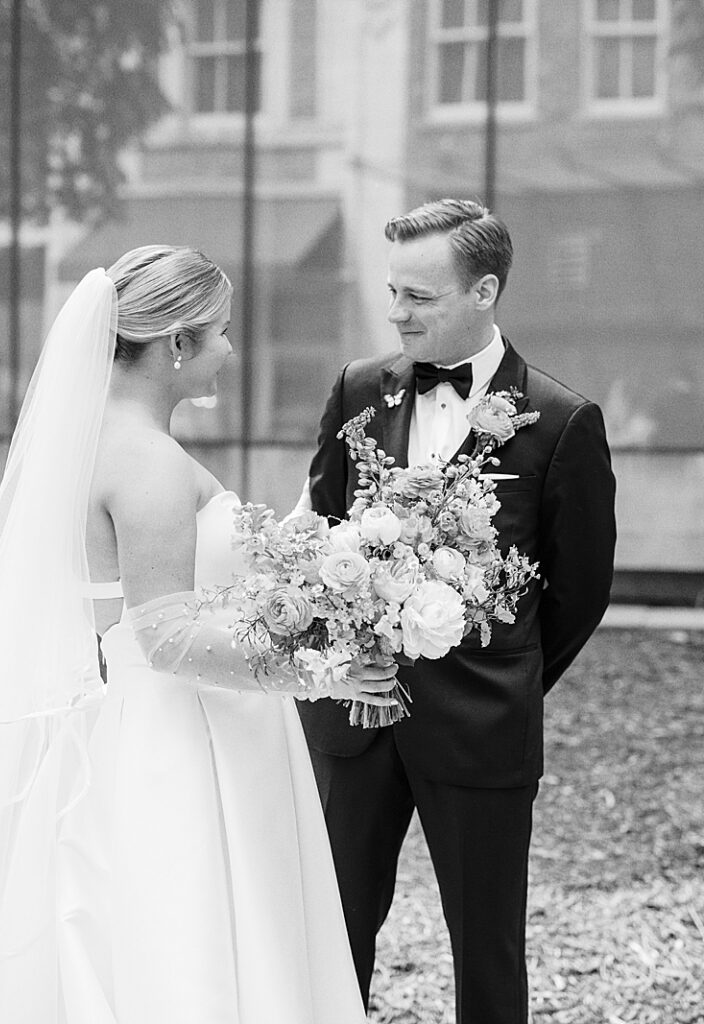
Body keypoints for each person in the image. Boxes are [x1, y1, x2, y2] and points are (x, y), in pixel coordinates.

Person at [0, 245, 398, 1023]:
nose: (229, 350)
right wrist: (323, 670)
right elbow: (166, 637)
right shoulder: (146, 461)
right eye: (218, 332)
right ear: (176, 345)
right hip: (181, 737)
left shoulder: (95, 440)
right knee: (190, 943)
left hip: (139, 719)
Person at [298, 199, 617, 1024]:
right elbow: (322, 535)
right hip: (351, 719)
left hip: (482, 725)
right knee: (328, 937)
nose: (396, 313)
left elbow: (579, 590)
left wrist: (502, 676)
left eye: (419, 298)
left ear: (483, 291)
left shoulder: (563, 420)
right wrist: (342, 660)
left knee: (487, 946)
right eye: (392, 291)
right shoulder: (358, 390)